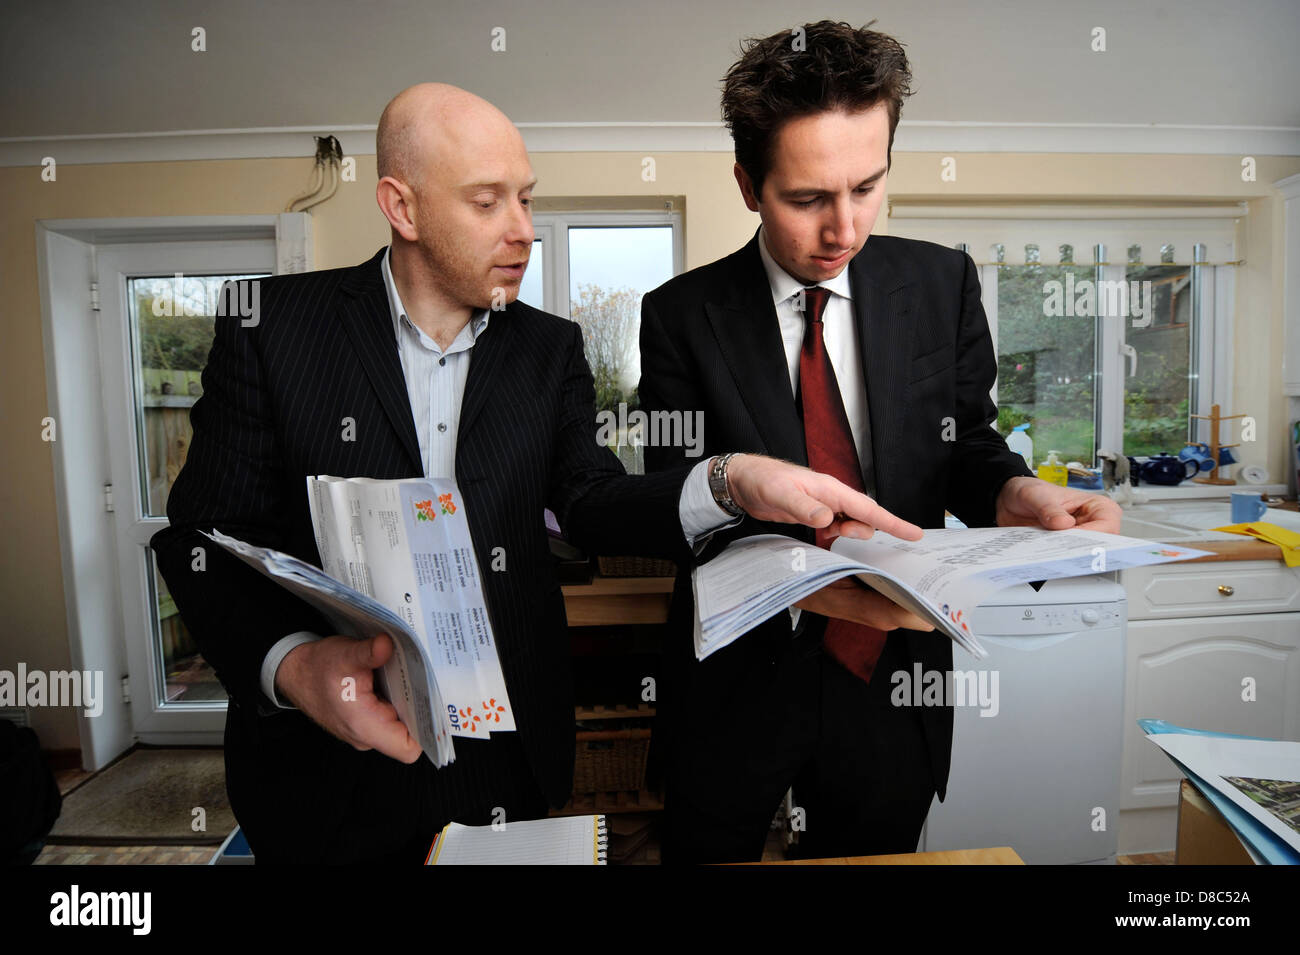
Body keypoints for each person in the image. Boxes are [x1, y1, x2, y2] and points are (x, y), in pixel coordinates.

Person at [150, 82, 922, 865]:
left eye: (526, 199)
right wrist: (296, 664)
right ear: (402, 206)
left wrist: (727, 480)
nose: (523, 231)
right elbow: (199, 540)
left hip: (507, 752)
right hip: (323, 764)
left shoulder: (549, 350)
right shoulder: (272, 328)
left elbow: (589, 501)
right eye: (489, 203)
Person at [638, 21, 1122, 863]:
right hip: (737, 682)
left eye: (868, 186)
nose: (845, 228)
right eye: (807, 199)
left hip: (894, 674)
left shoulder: (941, 284)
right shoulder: (680, 315)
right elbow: (677, 501)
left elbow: (967, 442)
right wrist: (806, 588)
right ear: (749, 186)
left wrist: (1016, 494)